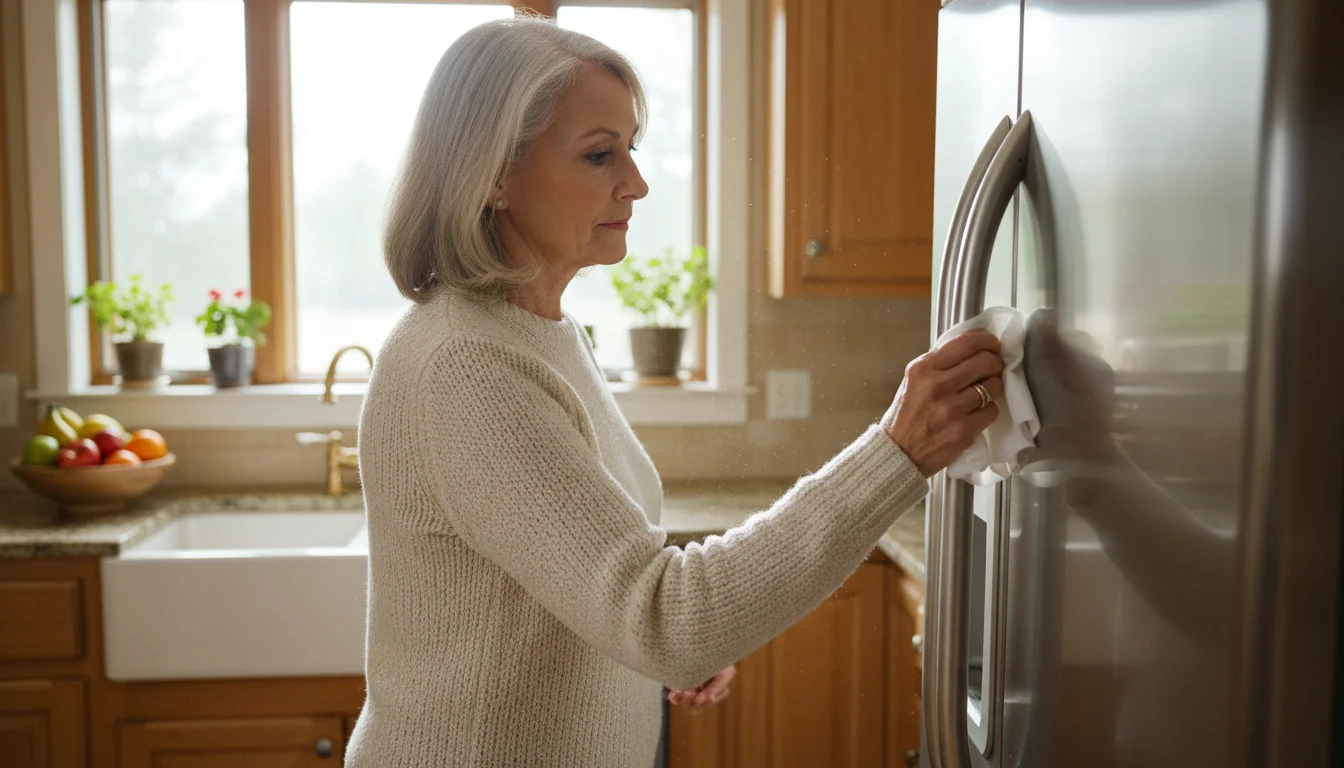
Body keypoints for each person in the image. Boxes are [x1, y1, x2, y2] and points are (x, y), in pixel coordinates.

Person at [346, 15, 1005, 766]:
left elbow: (609, 594)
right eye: (600, 155)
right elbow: (663, 615)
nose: (636, 182)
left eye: (630, 148)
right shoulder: (466, 367)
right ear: (494, 174)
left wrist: (651, 655)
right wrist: (895, 453)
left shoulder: (540, 331)